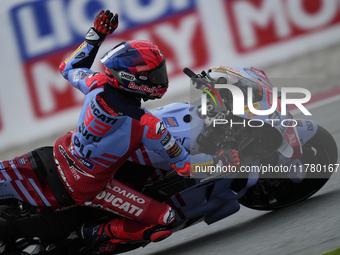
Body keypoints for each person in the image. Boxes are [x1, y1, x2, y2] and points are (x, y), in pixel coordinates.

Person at [0, 10, 240, 252]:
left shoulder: (96, 82)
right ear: (133, 80)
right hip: (88, 185)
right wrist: (218, 161)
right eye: (154, 75)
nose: (161, 79)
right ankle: (92, 232)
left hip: (62, 152)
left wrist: (97, 34)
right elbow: (185, 165)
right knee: (164, 219)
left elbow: (68, 66)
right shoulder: (147, 125)